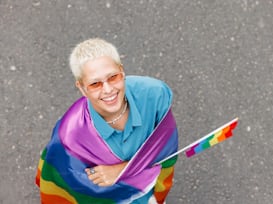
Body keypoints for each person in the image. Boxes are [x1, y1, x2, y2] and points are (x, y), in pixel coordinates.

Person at [35, 38, 179, 204]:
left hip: (146, 194)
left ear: (122, 71)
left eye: (113, 77)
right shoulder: (69, 136)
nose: (108, 89)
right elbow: (70, 186)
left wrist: (124, 170)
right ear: (81, 88)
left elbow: (167, 150)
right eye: (95, 84)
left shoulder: (155, 96)